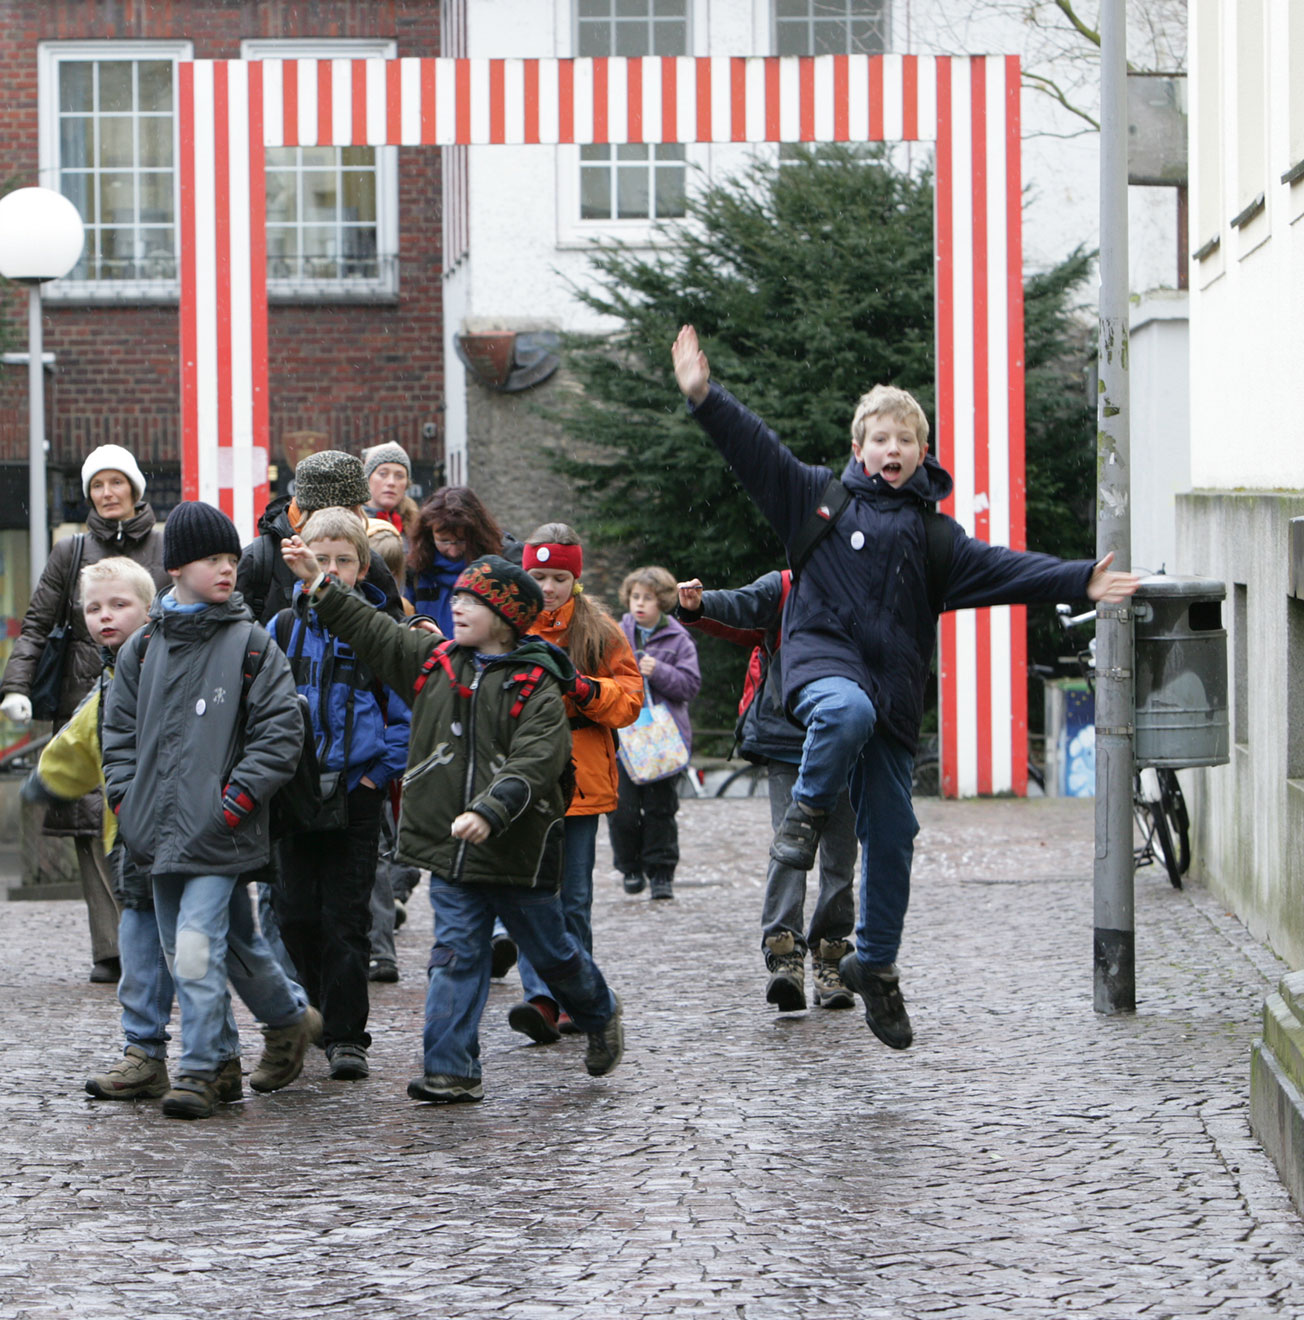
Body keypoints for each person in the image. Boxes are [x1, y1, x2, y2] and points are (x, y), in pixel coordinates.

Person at [671, 324, 1140, 1050]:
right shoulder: (816, 500)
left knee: (894, 836)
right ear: (859, 447)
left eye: (906, 440)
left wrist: (1081, 579)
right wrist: (705, 396)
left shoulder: (936, 539)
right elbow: (754, 450)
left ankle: (877, 965)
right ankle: (804, 817)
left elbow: (1007, 569)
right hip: (823, 670)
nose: (893, 449)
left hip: (891, 700)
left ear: (924, 452)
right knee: (845, 709)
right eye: (881, 438)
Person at [279, 540, 626, 1103]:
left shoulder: (537, 683)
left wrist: (491, 811)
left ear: (507, 619)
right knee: (454, 957)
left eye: (472, 601)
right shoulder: (433, 662)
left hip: (517, 857)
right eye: (457, 597)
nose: (456, 607)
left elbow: (536, 760)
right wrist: (319, 583)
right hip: (451, 854)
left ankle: (599, 1012)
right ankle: (451, 1069)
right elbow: (370, 627)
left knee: (555, 955)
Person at [102, 501, 321, 1120]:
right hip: (157, 830)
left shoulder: (251, 644)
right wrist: (127, 800)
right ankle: (282, 1023)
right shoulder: (142, 649)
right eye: (212, 559)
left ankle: (199, 1069)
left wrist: (235, 803)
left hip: (220, 829)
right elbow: (117, 736)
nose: (228, 568)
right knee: (233, 944)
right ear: (176, 568)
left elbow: (280, 734)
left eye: (231, 557)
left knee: (195, 949)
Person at [22, 557, 245, 1103]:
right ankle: (146, 1050)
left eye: (118, 605)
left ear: (150, 609)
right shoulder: (108, 676)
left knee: (196, 951)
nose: (104, 616)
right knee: (143, 948)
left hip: (190, 834)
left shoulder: (169, 661)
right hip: (131, 837)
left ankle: (219, 1054)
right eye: (93, 608)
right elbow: (83, 740)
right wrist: (48, 781)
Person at [1, 443, 169, 983]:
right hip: (81, 700)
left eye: (116, 482)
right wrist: (15, 685)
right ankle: (111, 946)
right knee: (89, 823)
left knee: (137, 815)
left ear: (135, 488)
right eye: (97, 484)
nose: (107, 492)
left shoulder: (165, 544)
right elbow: (36, 624)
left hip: (149, 695)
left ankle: (146, 936)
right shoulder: (70, 552)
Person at [270, 509, 412, 1082]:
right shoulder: (284, 627)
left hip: (356, 790)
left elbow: (405, 714)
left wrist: (377, 775)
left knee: (346, 919)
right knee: (294, 914)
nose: (331, 569)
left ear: (362, 567)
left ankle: (348, 1036)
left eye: (343, 561)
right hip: (295, 791)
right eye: (321, 558)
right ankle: (315, 1014)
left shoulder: (376, 631)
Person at [677, 571, 859, 1010]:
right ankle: (785, 955)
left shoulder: (865, 583)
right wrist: (698, 605)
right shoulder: (786, 585)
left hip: (847, 741)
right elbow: (741, 607)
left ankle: (831, 956)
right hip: (786, 741)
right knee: (789, 846)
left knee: (839, 856)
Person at [507, 524, 643, 1044]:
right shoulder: (509, 623)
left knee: (573, 897)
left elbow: (629, 700)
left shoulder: (599, 630)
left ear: (575, 579)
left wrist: (583, 689)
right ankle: (540, 998)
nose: (548, 587)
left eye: (559, 578)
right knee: (530, 893)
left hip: (581, 781)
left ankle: (576, 996)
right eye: (539, 575)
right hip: (523, 779)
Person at [610, 566, 700, 901]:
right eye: (635, 597)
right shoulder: (615, 634)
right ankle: (630, 868)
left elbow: (690, 686)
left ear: (662, 601)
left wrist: (658, 670)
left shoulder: (679, 639)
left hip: (665, 740)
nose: (640, 604)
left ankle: (661, 874)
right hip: (625, 739)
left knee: (661, 810)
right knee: (622, 810)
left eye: (647, 598)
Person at [237, 449, 407, 627]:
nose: (359, 518)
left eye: (359, 507)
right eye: (349, 510)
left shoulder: (366, 559)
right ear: (316, 513)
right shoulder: (258, 560)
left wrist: (414, 623)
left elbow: (394, 625)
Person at [405, 485, 510, 635]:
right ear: (429, 535)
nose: (453, 552)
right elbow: (402, 618)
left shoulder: (497, 569)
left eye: (461, 541)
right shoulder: (415, 571)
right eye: (444, 541)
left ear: (477, 535)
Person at [363, 442, 420, 544]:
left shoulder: (416, 526)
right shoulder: (351, 524)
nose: (391, 482)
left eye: (400, 476)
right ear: (368, 479)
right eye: (383, 474)